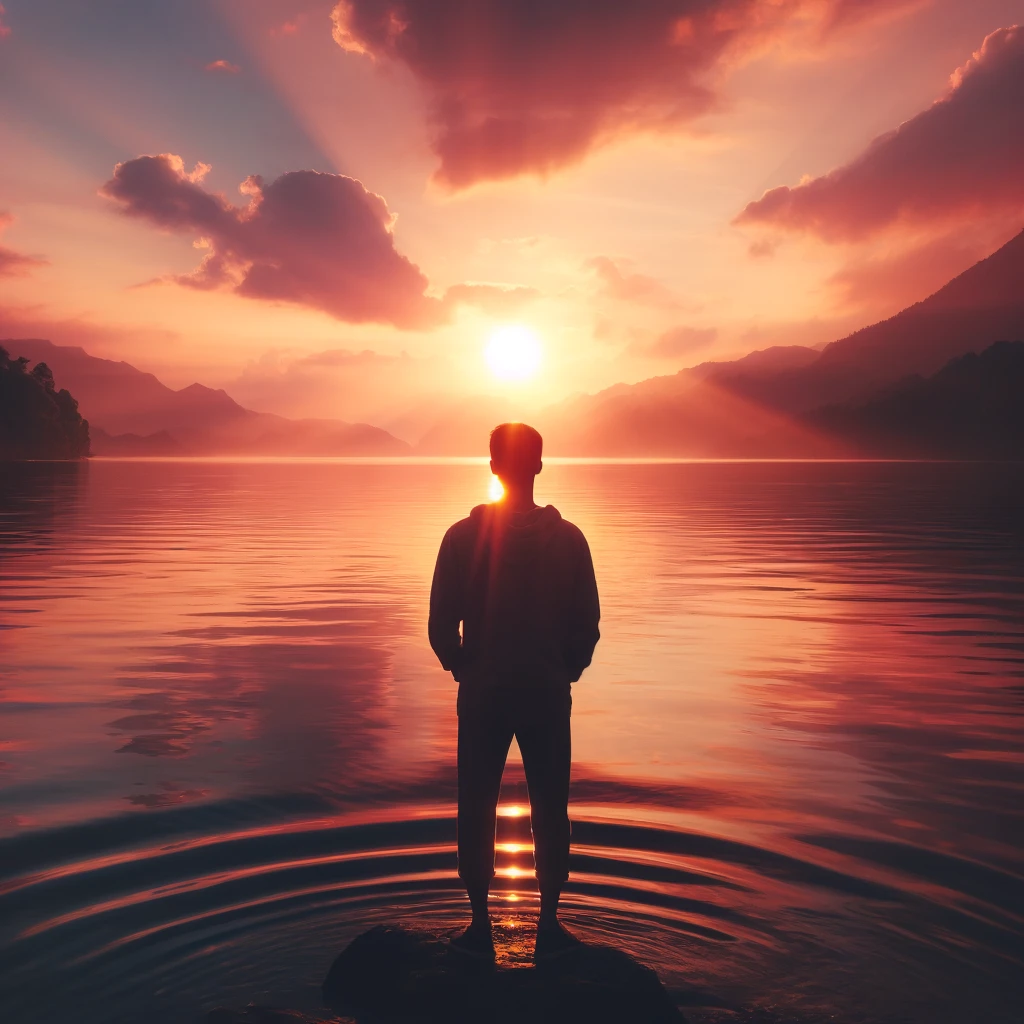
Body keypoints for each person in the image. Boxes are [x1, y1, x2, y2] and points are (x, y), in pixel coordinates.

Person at [428, 422, 601, 962]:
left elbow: (439, 624)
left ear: (494, 467)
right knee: (551, 803)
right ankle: (549, 921)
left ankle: (480, 921)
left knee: (475, 802)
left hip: (483, 692)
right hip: (546, 692)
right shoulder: (570, 539)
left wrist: (463, 667)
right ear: (539, 466)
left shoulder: (461, 537)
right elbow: (587, 622)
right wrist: (563, 669)